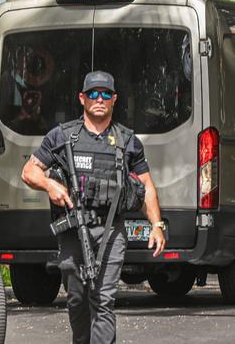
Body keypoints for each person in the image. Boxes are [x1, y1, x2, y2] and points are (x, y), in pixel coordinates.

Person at [21, 70, 167, 344]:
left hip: (111, 231)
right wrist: (50, 186)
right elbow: (29, 171)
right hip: (73, 231)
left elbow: (146, 186)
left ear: (114, 99)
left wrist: (156, 225)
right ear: (82, 98)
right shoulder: (62, 137)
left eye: (105, 94)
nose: (99, 99)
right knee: (77, 299)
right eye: (92, 94)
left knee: (103, 299)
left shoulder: (127, 141)